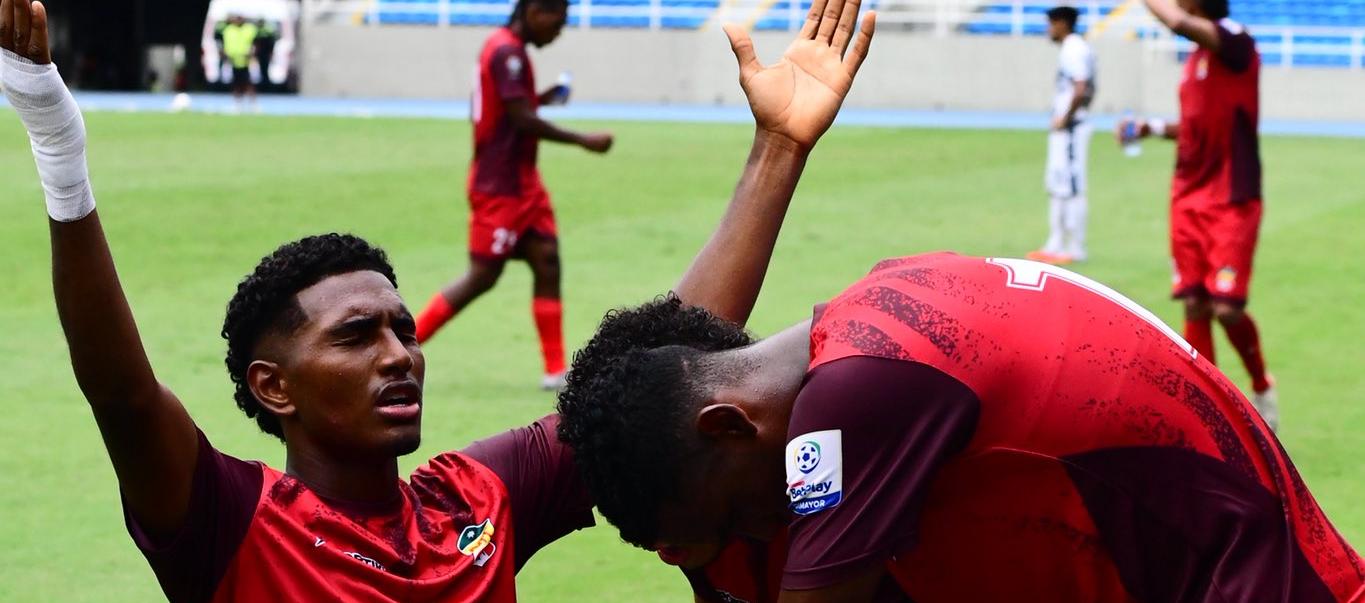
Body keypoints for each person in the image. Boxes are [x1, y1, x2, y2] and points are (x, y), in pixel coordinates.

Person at [0, 0, 874, 597]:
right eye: (355, 336)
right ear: (275, 386)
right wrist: (55, 138)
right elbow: (120, 394)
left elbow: (665, 373)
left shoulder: (476, 502)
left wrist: (776, 150)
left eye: (399, 328)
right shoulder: (231, 522)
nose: (398, 352)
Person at [412, 0, 615, 391]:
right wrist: (583, 140)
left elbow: (515, 108)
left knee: (547, 262)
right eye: (558, 20)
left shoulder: (510, 50)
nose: (560, 30)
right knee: (482, 276)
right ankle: (405, 347)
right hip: (499, 185)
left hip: (524, 184)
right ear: (536, 11)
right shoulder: (507, 52)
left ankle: (555, 370)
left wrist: (544, 97)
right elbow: (520, 120)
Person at [1117, 0, 1277, 428]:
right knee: (1194, 303)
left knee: (1226, 307)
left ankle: (1262, 384)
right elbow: (1195, 124)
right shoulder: (1196, 61)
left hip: (1231, 196)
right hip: (1188, 196)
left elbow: (1178, 21)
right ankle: (1210, 415)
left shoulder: (1236, 41)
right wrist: (1150, 128)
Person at [1028, 5, 1095, 265]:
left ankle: (1075, 246)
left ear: (1063, 24)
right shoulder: (1072, 48)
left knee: (1073, 188)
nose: (1049, 29)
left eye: (1052, 23)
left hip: (1071, 129)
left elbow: (1081, 88)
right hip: (1064, 130)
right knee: (1057, 186)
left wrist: (1065, 117)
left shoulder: (1075, 49)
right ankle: (1055, 242)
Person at [220, 14, 258, 113]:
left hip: (246, 61)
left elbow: (254, 43)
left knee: (248, 83)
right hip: (233, 61)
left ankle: (253, 104)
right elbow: (226, 45)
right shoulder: (229, 30)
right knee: (235, 84)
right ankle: (238, 104)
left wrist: (251, 54)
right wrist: (227, 56)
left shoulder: (249, 29)